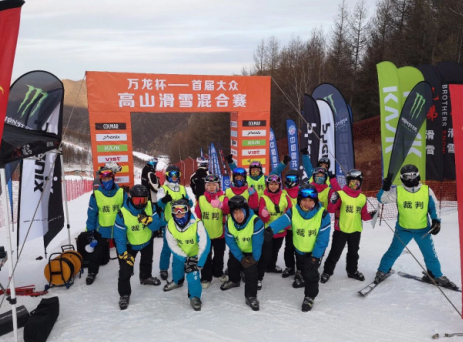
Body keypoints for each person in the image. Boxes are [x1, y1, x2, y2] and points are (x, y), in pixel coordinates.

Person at [374, 165, 456, 288]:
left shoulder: (426, 190)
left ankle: (435, 275)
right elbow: (382, 199)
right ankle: (382, 271)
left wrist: (436, 221)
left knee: (430, 254)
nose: (410, 178)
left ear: (417, 175)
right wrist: (385, 188)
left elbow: (433, 207)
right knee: (393, 251)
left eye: (413, 175)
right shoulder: (398, 191)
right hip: (403, 229)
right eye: (407, 176)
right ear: (402, 178)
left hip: (423, 230)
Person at [264, 184, 331, 312]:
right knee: (301, 266)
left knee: (312, 273)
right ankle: (301, 275)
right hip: (299, 248)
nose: (307, 203)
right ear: (299, 199)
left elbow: (323, 238)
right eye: (304, 200)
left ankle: (309, 296)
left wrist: (315, 257)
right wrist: (271, 230)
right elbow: (283, 220)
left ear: (315, 201)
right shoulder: (294, 211)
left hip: (314, 252)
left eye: (311, 200)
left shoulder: (323, 214)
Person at [114, 185, 165, 310]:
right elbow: (119, 237)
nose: (141, 203)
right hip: (130, 244)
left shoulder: (150, 206)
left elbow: (157, 225)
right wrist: (123, 253)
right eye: (137, 200)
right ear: (131, 198)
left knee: (147, 261)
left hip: (146, 241)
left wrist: (149, 221)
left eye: (144, 199)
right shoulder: (122, 213)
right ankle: (124, 294)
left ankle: (145, 277)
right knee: (125, 270)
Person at [320, 169, 375, 284]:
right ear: (348, 182)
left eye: (357, 182)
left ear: (360, 183)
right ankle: (327, 272)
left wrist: (371, 215)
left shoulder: (362, 198)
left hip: (355, 230)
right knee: (335, 252)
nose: (354, 185)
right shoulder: (341, 194)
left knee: (353, 253)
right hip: (341, 229)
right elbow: (331, 210)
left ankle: (352, 271)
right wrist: (333, 201)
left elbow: (364, 216)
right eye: (352, 182)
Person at [164, 198, 211, 311]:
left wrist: (197, 262)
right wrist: (184, 258)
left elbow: (205, 244)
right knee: (176, 266)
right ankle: (178, 281)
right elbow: (172, 245)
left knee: (192, 273)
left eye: (182, 209)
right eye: (176, 210)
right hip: (181, 252)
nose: (179, 213)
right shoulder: (170, 225)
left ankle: (194, 296)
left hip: (195, 253)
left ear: (188, 210)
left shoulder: (197, 223)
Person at [220, 196, 264, 311]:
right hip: (238, 249)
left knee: (251, 271)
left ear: (246, 211)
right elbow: (230, 241)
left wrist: (254, 259)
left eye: (241, 211)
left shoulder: (256, 222)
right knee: (232, 263)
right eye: (235, 212)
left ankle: (251, 296)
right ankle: (234, 280)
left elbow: (257, 244)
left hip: (252, 251)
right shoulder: (229, 222)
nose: (238, 216)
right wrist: (240, 257)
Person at [85, 166, 127, 285]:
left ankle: (125, 270)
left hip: (118, 229)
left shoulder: (121, 193)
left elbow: (127, 212)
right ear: (100, 180)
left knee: (122, 251)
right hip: (102, 229)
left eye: (108, 178)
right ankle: (92, 272)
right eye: (103, 179)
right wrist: (90, 231)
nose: (106, 180)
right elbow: (91, 215)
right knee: (96, 252)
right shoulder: (95, 195)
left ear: (113, 178)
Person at [157, 165, 194, 281]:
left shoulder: (182, 188)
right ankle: (163, 268)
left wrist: (188, 201)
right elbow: (159, 204)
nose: (174, 177)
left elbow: (191, 204)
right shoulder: (163, 188)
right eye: (171, 175)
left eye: (176, 174)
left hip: (182, 222)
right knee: (167, 247)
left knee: (182, 245)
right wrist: (164, 200)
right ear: (167, 176)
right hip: (169, 222)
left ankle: (181, 263)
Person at [195, 174, 229, 288]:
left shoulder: (223, 198)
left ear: (218, 186)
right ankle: (205, 277)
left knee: (219, 255)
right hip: (205, 235)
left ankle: (218, 272)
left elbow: (229, 210)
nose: (211, 187)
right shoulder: (201, 198)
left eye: (214, 185)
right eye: (209, 185)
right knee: (206, 257)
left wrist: (221, 205)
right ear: (205, 186)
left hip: (220, 234)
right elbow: (198, 215)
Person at [257, 174, 292, 289]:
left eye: (275, 184)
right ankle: (258, 277)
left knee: (275, 251)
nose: (273, 186)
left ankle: (271, 267)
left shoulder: (285, 196)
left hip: (281, 231)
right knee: (265, 254)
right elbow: (262, 214)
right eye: (271, 184)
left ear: (279, 185)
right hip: (268, 231)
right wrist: (263, 214)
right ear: (267, 185)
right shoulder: (264, 197)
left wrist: (287, 225)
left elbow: (290, 211)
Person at [225, 154, 290, 200]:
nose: (255, 172)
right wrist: (230, 161)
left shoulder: (265, 178)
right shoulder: (246, 178)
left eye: (257, 170)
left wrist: (284, 162)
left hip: (263, 204)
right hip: (250, 204)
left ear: (260, 170)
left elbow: (276, 171)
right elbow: (236, 171)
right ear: (250, 171)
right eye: (253, 170)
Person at [281, 170, 299, 279]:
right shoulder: (283, 193)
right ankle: (290, 267)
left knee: (301, 248)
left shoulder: (302, 191)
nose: (291, 182)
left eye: (293, 179)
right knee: (289, 248)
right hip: (289, 226)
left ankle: (301, 269)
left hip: (301, 226)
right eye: (288, 180)